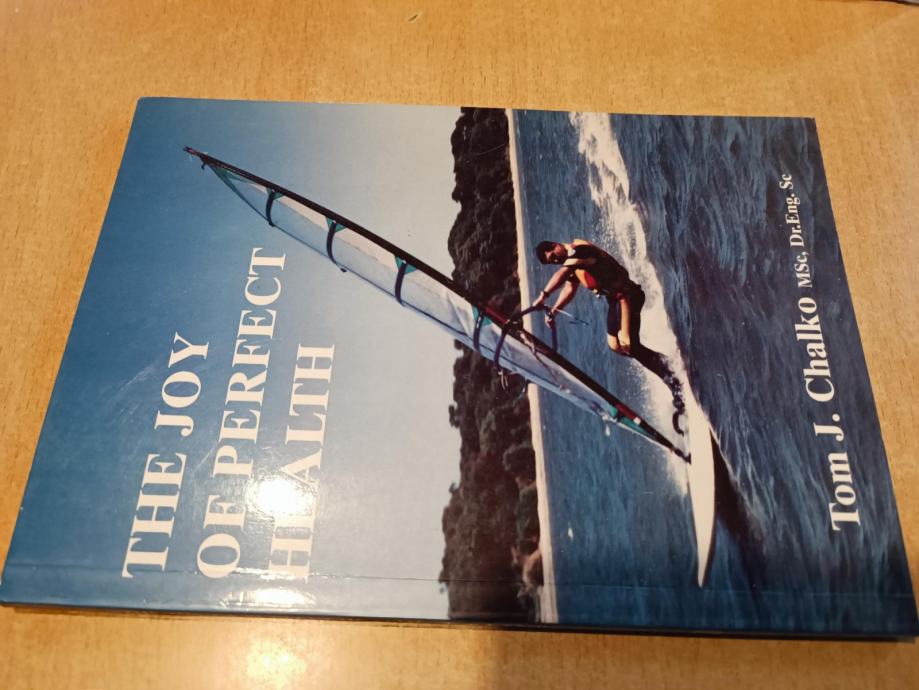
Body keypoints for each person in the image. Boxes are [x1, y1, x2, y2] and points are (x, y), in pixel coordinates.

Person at [532, 238, 685, 429]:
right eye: (552, 262)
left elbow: (562, 274)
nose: (556, 261)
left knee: (628, 344)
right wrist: (554, 311)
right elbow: (570, 288)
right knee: (616, 346)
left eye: (554, 256)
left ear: (556, 245)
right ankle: (668, 367)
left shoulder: (579, 251)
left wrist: (543, 296)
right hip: (614, 301)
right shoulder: (570, 262)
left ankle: (673, 378)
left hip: (627, 295)